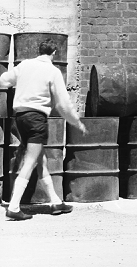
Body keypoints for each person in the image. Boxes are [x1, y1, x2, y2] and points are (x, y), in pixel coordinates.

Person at [0, 39, 86, 220]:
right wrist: (76, 122)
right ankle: (14, 207)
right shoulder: (52, 71)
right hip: (37, 120)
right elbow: (63, 103)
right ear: (54, 52)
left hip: (20, 118)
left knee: (41, 161)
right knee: (30, 161)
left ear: (39, 50)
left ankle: (55, 202)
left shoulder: (25, 65)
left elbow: (4, 81)